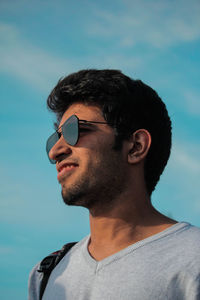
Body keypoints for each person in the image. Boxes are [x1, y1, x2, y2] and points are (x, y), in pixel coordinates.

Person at [28, 69, 200, 300]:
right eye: (55, 138)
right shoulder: (46, 275)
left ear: (136, 146)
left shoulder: (193, 259)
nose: (55, 150)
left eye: (75, 130)